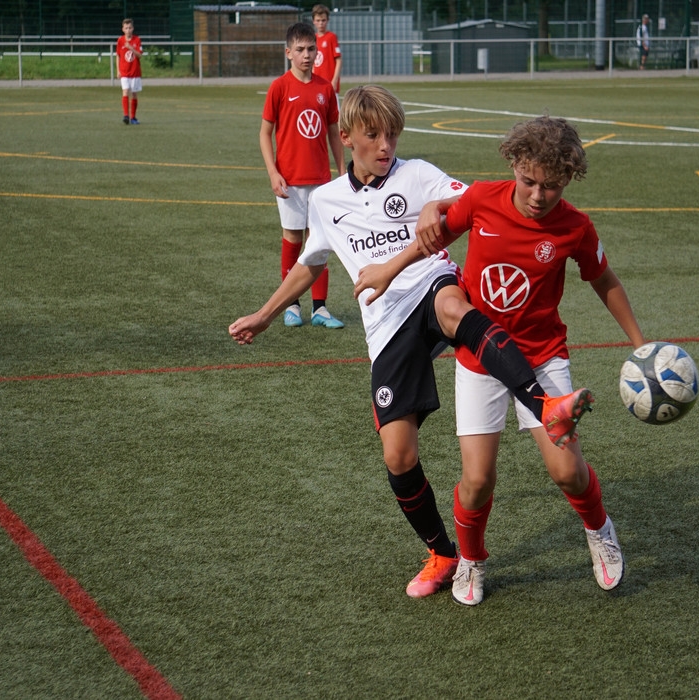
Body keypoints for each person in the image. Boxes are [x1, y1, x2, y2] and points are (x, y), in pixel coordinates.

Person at [231, 85, 594, 600]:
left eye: (393, 135)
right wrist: (265, 315)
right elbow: (311, 263)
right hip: (385, 324)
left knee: (454, 307)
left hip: (430, 284)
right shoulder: (328, 201)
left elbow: (478, 199)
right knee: (398, 456)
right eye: (374, 135)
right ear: (347, 136)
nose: (386, 146)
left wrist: (436, 205)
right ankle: (444, 553)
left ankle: (544, 404)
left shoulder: (417, 173)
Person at [354, 115, 645, 606]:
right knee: (477, 480)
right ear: (513, 165)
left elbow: (604, 279)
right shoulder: (482, 199)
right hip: (478, 359)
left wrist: (639, 343)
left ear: (568, 180)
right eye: (529, 181)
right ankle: (471, 559)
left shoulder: (575, 227)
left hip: (543, 357)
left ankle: (599, 529)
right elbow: (434, 237)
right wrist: (389, 268)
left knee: (567, 471)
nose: (538, 195)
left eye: (551, 186)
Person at [259, 22, 346, 329]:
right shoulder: (279, 87)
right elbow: (264, 133)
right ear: (288, 53)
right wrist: (273, 173)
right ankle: (291, 304)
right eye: (300, 50)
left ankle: (320, 308)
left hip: (321, 180)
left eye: (311, 49)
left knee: (319, 242)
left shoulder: (325, 89)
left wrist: (342, 172)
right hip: (290, 181)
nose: (306, 55)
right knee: (293, 240)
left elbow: (334, 133)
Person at [117, 18, 143, 125]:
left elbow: (140, 55)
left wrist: (131, 48)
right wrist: (118, 70)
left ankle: (133, 117)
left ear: (133, 28)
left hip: (135, 72)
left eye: (130, 28)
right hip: (124, 72)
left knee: (134, 94)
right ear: (123, 29)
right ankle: (126, 116)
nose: (128, 30)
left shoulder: (137, 40)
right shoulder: (120, 40)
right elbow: (118, 56)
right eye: (126, 28)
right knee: (125, 91)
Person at [312, 4, 342, 95]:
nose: (321, 23)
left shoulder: (331, 37)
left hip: (329, 83)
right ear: (313, 21)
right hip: (316, 82)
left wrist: (334, 80)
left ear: (327, 20)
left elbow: (339, 60)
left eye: (323, 20)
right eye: (318, 20)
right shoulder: (312, 39)